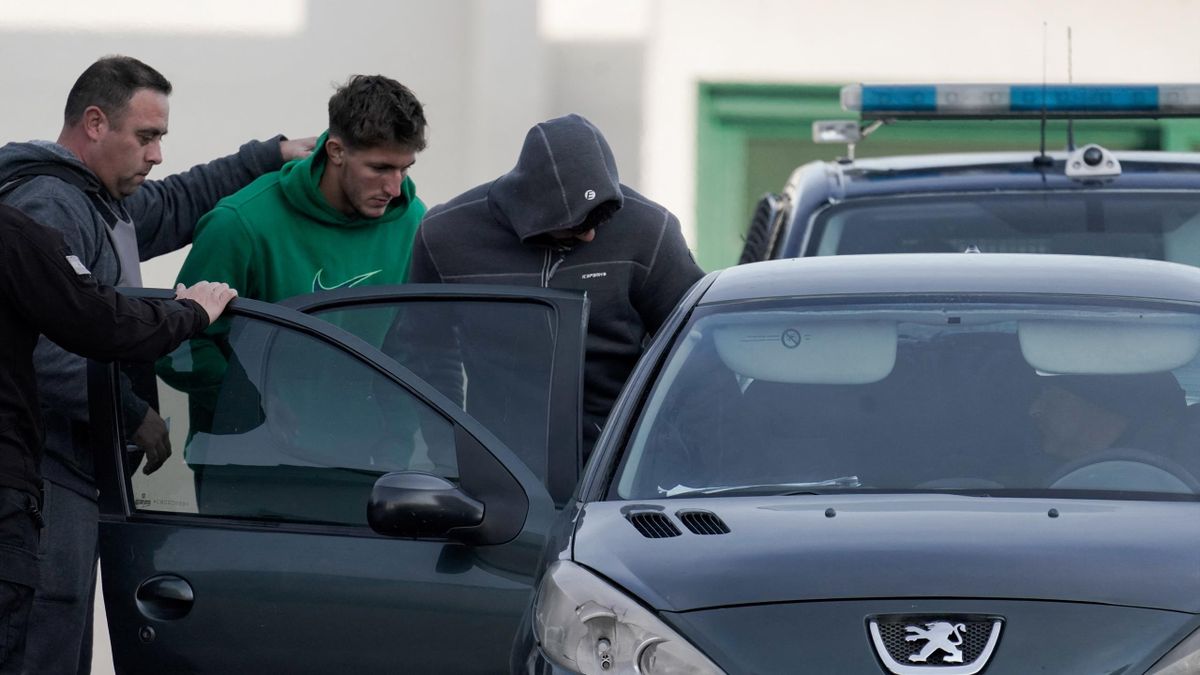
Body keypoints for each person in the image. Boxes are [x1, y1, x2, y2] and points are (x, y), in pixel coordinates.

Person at [0, 54, 313, 675]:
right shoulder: (51, 205)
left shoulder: (95, 200)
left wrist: (269, 155)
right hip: (44, 474)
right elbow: (49, 350)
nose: (157, 154)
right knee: (39, 639)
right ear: (94, 123)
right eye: (147, 137)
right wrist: (134, 413)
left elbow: (175, 203)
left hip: (66, 472)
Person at [0, 204, 237, 674]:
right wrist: (190, 312)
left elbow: (173, 199)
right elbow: (103, 323)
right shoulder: (15, 233)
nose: (156, 157)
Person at [409, 113, 705, 456]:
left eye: (602, 217)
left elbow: (695, 351)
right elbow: (424, 352)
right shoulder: (447, 235)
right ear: (534, 211)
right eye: (578, 224)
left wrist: (670, 457)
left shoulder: (650, 231)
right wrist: (449, 448)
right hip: (498, 466)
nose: (592, 234)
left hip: (617, 468)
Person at [174, 74, 428, 302]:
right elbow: (187, 343)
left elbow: (424, 341)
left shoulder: (414, 221)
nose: (395, 189)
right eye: (379, 168)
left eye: (404, 169)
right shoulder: (238, 225)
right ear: (336, 151)